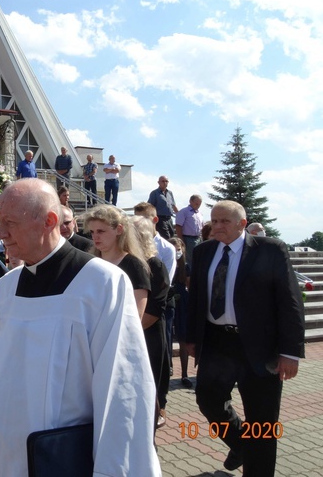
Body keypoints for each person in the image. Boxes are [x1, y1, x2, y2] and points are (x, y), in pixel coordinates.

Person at [0, 180, 160, 476]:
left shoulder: (103, 284)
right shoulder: (3, 291)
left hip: (63, 458)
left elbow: (123, 391)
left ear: (50, 221)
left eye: (9, 223)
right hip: (0, 456)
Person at [185, 200, 305, 474]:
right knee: (207, 398)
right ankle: (241, 443)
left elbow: (290, 301)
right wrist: (191, 337)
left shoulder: (270, 250)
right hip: (217, 342)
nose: (217, 227)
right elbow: (196, 299)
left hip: (260, 347)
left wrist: (290, 352)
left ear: (242, 223)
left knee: (261, 420)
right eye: (214, 221)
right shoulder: (204, 252)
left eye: (224, 221)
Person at [131, 215, 171, 430]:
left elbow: (155, 308)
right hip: (131, 333)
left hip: (149, 333)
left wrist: (129, 332)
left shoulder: (155, 265)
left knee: (151, 380)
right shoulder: (129, 261)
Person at [168, 237, 192, 389]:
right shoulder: (165, 263)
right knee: (168, 336)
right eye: (173, 248)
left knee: (183, 338)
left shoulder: (186, 267)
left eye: (179, 248)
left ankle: (185, 374)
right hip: (169, 300)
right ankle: (168, 368)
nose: (177, 251)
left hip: (183, 302)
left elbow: (190, 285)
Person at [176, 194, 205, 265]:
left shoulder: (200, 214)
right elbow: (178, 226)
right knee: (190, 260)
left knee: (198, 258)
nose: (198, 205)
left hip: (198, 238)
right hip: (188, 239)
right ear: (190, 201)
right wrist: (181, 240)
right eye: (196, 203)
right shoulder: (184, 212)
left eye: (199, 204)